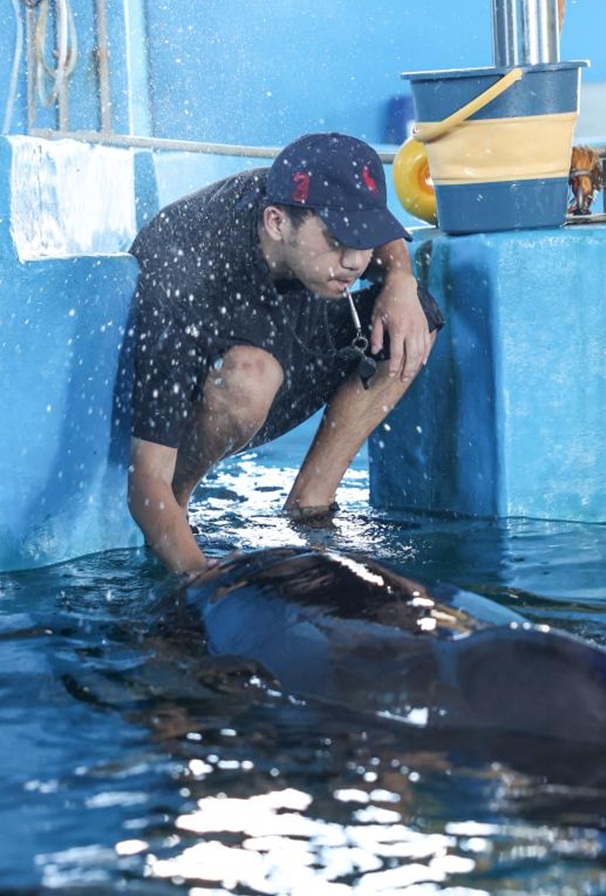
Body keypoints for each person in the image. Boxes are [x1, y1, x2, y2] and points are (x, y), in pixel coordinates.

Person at [126, 131, 443, 576]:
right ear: (277, 223)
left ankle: (311, 507)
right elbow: (145, 481)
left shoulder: (319, 229)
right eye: (338, 239)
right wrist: (200, 579)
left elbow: (377, 230)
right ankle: (183, 509)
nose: (355, 260)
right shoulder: (182, 275)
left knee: (412, 322)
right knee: (250, 379)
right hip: (220, 389)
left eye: (364, 239)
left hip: (293, 332)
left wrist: (400, 282)